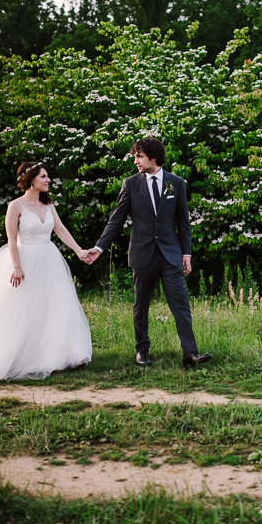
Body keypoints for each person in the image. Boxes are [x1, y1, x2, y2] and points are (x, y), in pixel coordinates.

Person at [0, 162, 93, 381]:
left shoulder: (48, 204)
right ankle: (14, 356)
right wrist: (17, 267)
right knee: (22, 309)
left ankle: (56, 354)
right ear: (31, 179)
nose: (48, 180)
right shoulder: (15, 206)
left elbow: (60, 229)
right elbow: (11, 238)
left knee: (53, 306)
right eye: (44, 177)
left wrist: (78, 251)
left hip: (49, 260)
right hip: (24, 259)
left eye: (48, 177)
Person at [83, 138, 210, 368]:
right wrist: (100, 247)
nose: (135, 161)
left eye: (139, 156)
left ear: (153, 157)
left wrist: (187, 253)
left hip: (170, 254)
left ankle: (190, 353)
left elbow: (184, 222)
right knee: (141, 305)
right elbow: (117, 220)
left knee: (180, 303)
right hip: (142, 254)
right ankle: (142, 351)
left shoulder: (176, 183)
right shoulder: (130, 184)